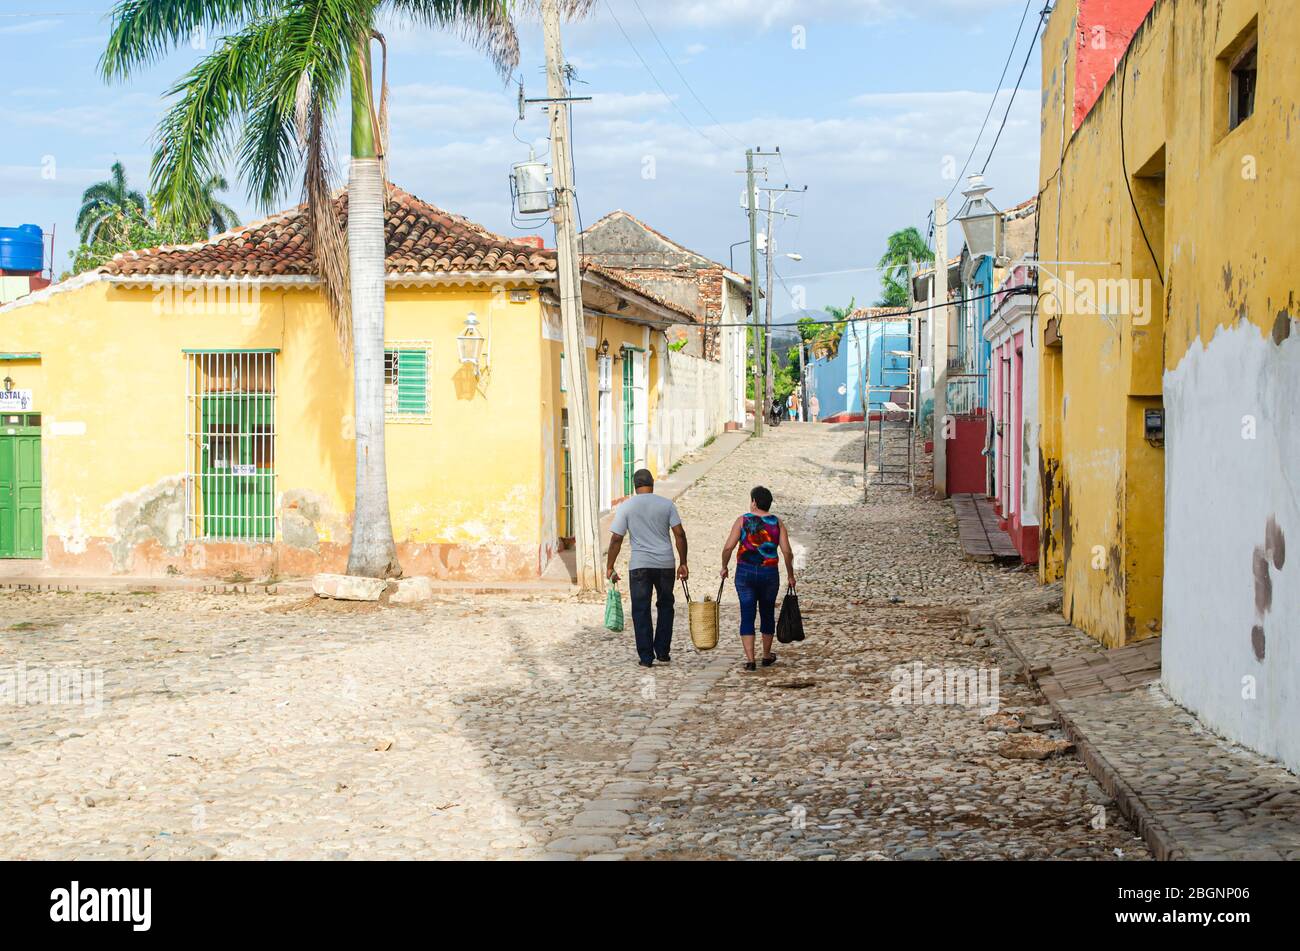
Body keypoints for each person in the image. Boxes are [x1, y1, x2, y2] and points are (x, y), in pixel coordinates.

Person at [606, 469, 688, 667]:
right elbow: (679, 534)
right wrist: (683, 562)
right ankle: (662, 651)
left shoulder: (626, 507)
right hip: (665, 564)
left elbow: (617, 538)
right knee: (666, 606)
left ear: (634, 485)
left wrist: (610, 566)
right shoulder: (666, 504)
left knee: (641, 609)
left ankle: (645, 657)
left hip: (639, 566)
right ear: (652, 483)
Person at [720, 486, 796, 671]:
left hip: (744, 573)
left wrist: (724, 566)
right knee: (767, 612)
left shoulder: (742, 520)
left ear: (754, 502)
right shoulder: (776, 523)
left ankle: (750, 660)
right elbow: (787, 551)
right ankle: (767, 655)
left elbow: (728, 547)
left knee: (747, 613)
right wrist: (790, 575)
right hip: (769, 574)